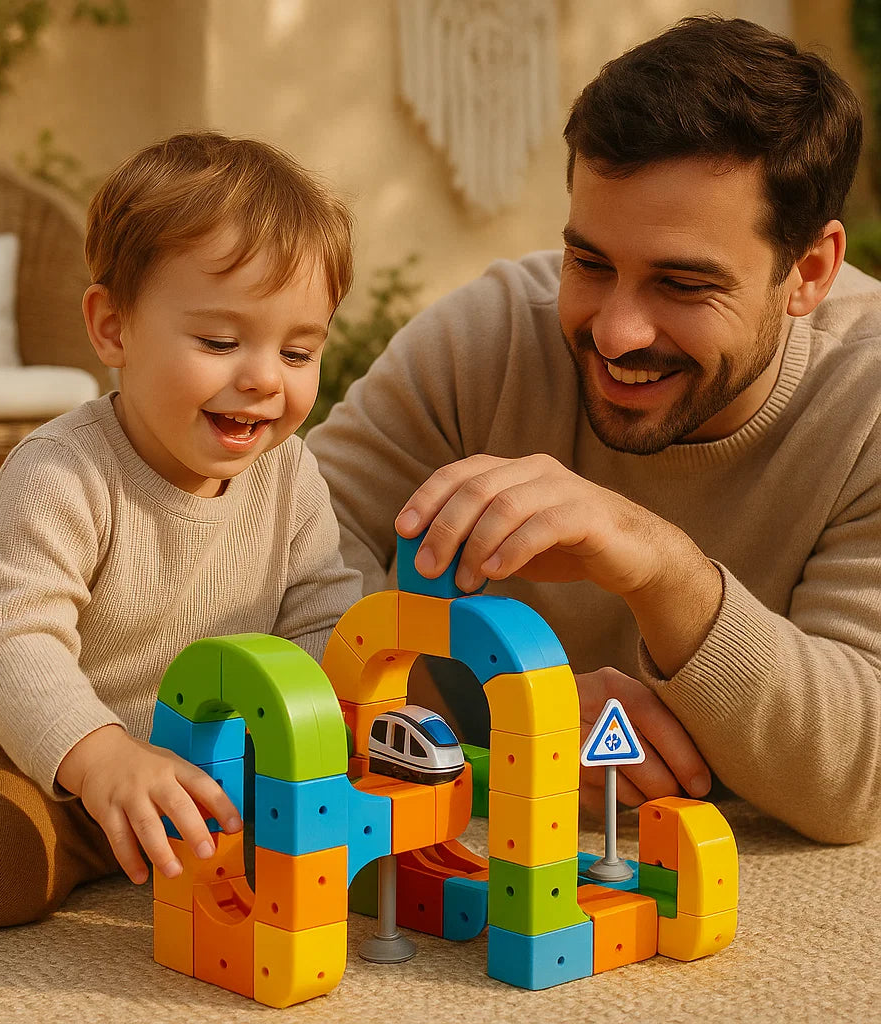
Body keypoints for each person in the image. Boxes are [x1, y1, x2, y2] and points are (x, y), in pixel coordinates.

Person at [307, 16, 881, 844]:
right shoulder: (488, 339)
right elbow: (276, 552)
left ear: (809, 272)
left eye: (682, 284)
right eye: (590, 263)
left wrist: (663, 570)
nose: (615, 333)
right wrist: (503, 727)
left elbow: (859, 781)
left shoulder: (866, 401)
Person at [0, 132, 363, 926]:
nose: (266, 377)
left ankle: (133, 834)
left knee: (338, 835)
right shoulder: (62, 470)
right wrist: (100, 757)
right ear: (113, 328)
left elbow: (322, 620)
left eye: (298, 352)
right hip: (18, 743)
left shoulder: (290, 474)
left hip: (192, 763)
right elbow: (14, 642)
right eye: (221, 342)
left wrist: (344, 718)